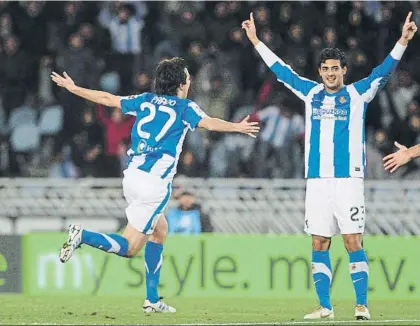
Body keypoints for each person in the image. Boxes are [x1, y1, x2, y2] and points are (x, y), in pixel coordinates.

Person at [242, 11, 417, 321]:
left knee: (352, 240)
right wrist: (256, 40)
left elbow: (384, 70)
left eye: (335, 69)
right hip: (317, 181)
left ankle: (361, 305)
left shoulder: (357, 93)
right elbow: (281, 71)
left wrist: (402, 40)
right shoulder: (310, 93)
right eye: (325, 69)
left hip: (349, 178)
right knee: (319, 241)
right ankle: (325, 307)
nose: (330, 74)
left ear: (344, 71)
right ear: (320, 71)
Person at [51, 57, 259, 313]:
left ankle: (152, 299)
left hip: (132, 177)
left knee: (160, 229)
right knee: (129, 248)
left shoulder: (145, 100)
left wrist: (74, 88)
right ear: (183, 83)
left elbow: (107, 99)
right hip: (154, 186)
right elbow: (209, 123)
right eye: (188, 76)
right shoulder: (185, 107)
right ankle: (83, 235)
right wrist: (237, 127)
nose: (190, 80)